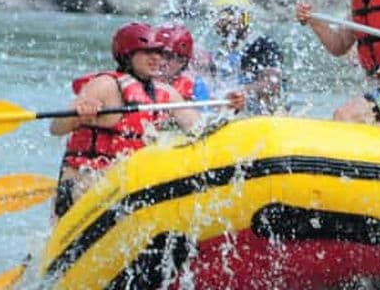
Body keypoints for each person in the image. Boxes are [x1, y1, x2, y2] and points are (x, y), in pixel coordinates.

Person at [49, 22, 244, 218]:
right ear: (127, 55)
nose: (156, 58)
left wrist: (228, 108)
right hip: (85, 181)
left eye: (159, 52)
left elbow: (201, 129)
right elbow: (56, 128)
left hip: (126, 185)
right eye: (147, 52)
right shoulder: (105, 85)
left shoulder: (165, 93)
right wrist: (79, 114)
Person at [209, 0, 287, 115]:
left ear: (245, 18)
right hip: (234, 115)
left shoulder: (263, 46)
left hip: (264, 115)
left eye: (233, 14)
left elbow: (272, 84)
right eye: (222, 15)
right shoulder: (219, 53)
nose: (229, 19)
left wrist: (238, 92)